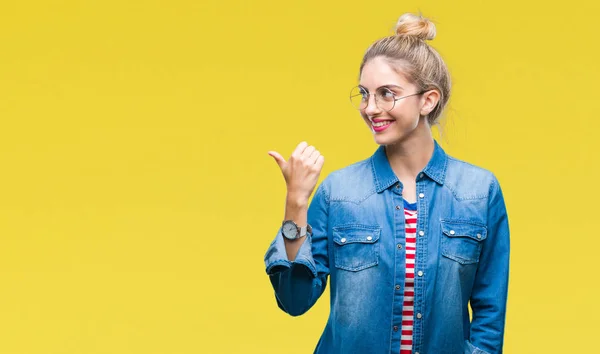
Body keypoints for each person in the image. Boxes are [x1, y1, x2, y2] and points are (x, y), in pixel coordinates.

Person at [264, 13, 510, 354]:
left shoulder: (479, 192)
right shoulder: (339, 193)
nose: (370, 108)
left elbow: (489, 315)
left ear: (428, 100)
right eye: (364, 94)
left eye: (386, 94)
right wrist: (296, 203)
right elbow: (294, 300)